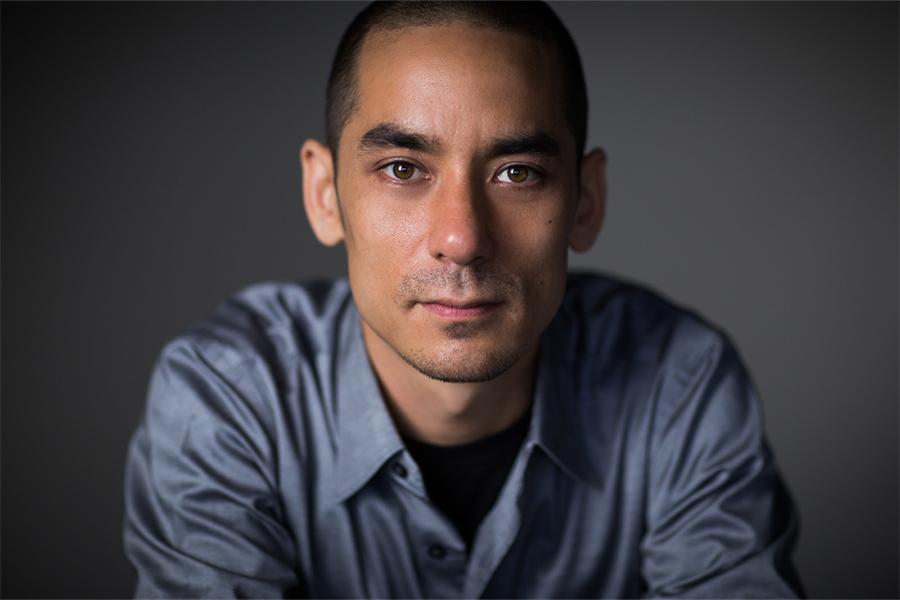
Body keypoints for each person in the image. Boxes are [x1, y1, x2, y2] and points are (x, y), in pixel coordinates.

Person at [123, 2, 803, 597]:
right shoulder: (227, 396)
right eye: (402, 169)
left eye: (517, 173)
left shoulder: (676, 381)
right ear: (325, 195)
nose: (462, 238)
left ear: (584, 201)